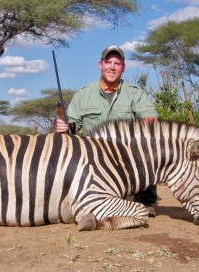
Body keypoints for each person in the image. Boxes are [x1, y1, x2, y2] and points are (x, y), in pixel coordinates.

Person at [54, 45, 158, 217]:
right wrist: (60, 127)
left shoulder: (134, 93)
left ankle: (145, 202)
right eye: (108, 62)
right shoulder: (83, 93)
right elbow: (71, 127)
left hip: (124, 155)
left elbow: (151, 119)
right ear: (100, 65)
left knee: (150, 146)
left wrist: (147, 125)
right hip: (92, 158)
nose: (112, 67)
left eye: (117, 63)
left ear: (123, 68)